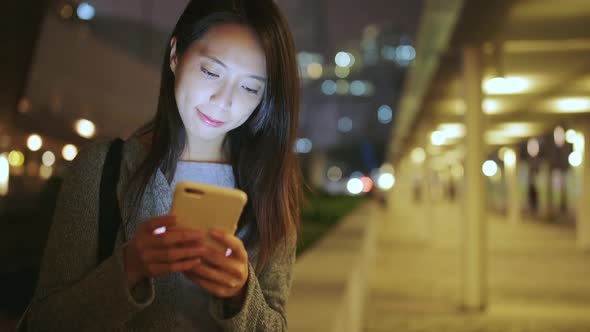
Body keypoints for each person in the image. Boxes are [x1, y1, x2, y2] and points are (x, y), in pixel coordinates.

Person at [22, 0, 302, 330]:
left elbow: (277, 324)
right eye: (211, 71)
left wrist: (241, 294)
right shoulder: (102, 168)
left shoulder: (269, 184)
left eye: (250, 87)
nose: (224, 101)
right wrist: (129, 269)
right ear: (175, 54)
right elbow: (45, 322)